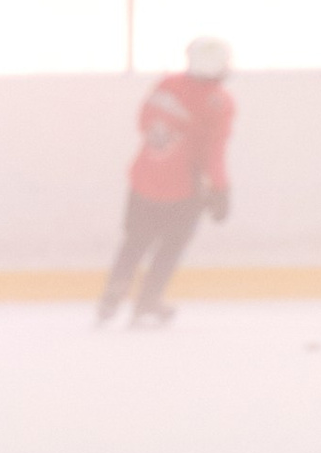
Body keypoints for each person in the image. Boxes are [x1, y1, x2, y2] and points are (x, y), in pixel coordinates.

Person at [98, 37, 234, 329]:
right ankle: (148, 301)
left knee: (134, 242)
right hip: (182, 189)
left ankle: (113, 295)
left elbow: (143, 121)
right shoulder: (219, 102)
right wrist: (221, 190)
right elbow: (214, 153)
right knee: (171, 246)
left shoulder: (166, 85)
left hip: (143, 177)